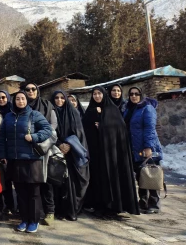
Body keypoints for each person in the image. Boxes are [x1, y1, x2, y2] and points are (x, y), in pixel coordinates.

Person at [0, 91, 52, 234]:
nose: (20, 101)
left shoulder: (34, 115)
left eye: (23, 99)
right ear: (14, 100)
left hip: (32, 160)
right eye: (17, 99)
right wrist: (3, 154)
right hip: (15, 160)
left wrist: (34, 137)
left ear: (27, 100)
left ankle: (33, 221)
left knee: (33, 192)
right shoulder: (9, 117)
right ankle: (24, 219)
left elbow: (48, 130)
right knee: (21, 193)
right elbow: (2, 137)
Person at [82, 87, 139, 219]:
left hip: (111, 153)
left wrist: (102, 126)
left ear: (104, 95)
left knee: (112, 178)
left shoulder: (111, 109)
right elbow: (84, 129)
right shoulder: (90, 110)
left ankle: (113, 206)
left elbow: (119, 129)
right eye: (94, 94)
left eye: (99, 93)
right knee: (98, 179)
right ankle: (98, 205)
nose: (97, 96)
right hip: (96, 153)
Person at [50, 91, 90, 221]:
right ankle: (58, 210)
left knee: (72, 183)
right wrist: (59, 144)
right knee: (58, 182)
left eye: (62, 98)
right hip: (56, 151)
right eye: (56, 98)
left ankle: (72, 210)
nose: (59, 100)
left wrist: (68, 145)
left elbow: (79, 132)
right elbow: (49, 131)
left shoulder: (73, 113)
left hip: (71, 153)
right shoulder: (51, 112)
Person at [123, 87, 163, 214]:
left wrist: (148, 146)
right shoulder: (129, 109)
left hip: (146, 147)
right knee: (141, 175)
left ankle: (154, 203)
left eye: (136, 94)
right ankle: (143, 202)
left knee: (151, 173)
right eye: (131, 94)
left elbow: (150, 128)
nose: (134, 96)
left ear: (141, 95)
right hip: (134, 148)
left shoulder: (147, 108)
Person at [24, 82, 58, 226]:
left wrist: (38, 138)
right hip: (25, 148)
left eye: (33, 89)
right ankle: (28, 211)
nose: (30, 91)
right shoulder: (21, 105)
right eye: (28, 89)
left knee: (46, 181)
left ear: (37, 91)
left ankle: (50, 211)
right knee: (29, 182)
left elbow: (53, 125)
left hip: (43, 148)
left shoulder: (47, 105)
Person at [0, 90, 15, 219]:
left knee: (9, 180)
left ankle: (11, 206)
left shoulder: (13, 111)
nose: (1, 99)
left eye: (4, 97)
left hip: (11, 150)